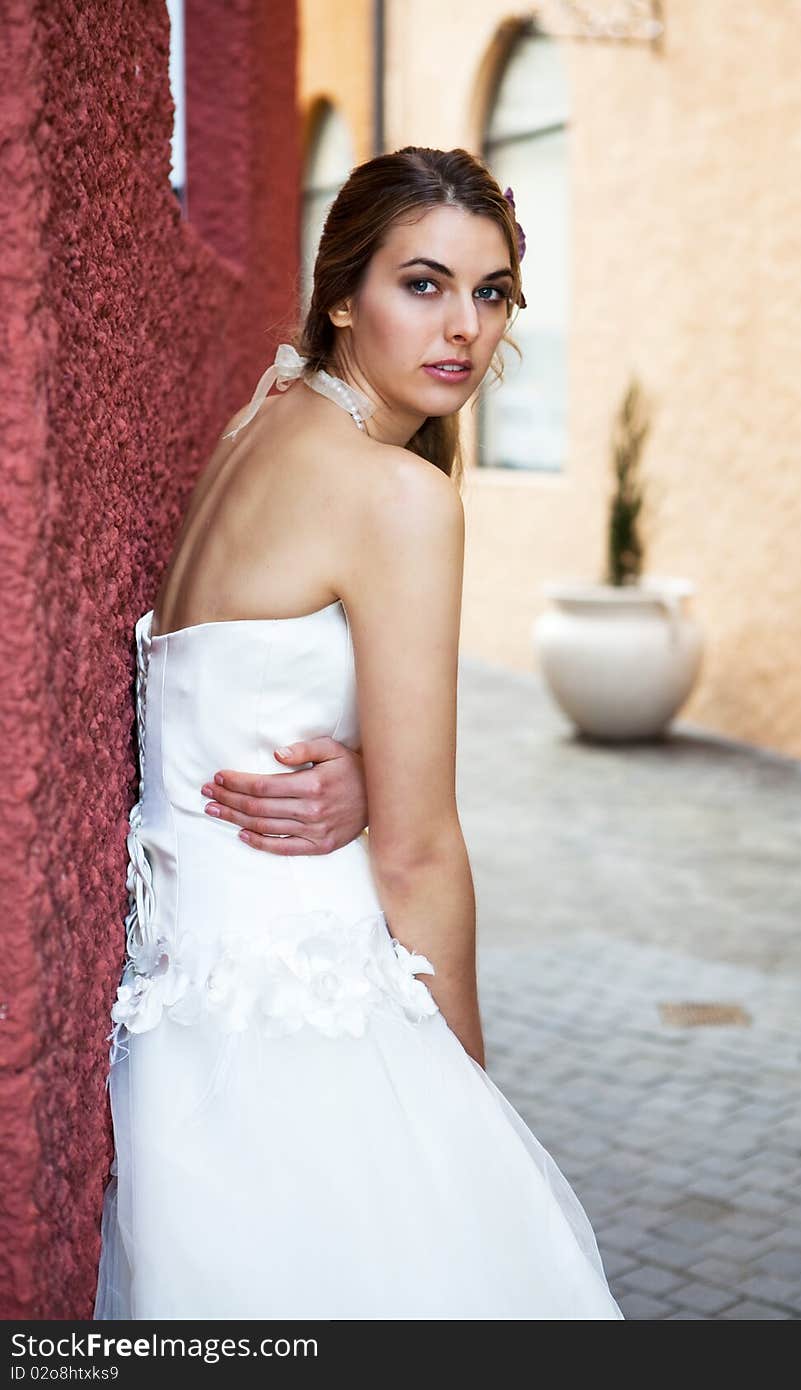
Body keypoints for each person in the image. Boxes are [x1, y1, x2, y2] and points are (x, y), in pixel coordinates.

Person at [93, 145, 624, 1320]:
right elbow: (421, 858)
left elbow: (232, 695)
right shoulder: (396, 495)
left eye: (491, 294)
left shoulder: (262, 424)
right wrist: (469, 1099)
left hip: (186, 1024)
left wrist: (371, 774)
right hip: (307, 1029)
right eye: (422, 284)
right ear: (341, 294)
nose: (464, 330)